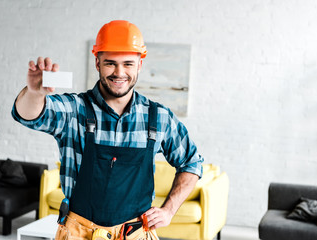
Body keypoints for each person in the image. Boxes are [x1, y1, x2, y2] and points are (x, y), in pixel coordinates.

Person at [12, 20, 203, 240]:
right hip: (78, 233)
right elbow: (29, 115)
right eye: (110, 63)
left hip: (136, 235)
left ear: (140, 64)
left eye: (128, 64)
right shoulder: (74, 110)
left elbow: (191, 162)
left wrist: (169, 210)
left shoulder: (159, 118)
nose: (119, 72)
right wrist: (35, 93)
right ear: (97, 63)